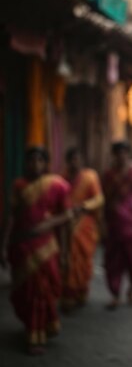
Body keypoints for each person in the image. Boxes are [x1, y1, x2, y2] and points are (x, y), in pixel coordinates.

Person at [0, 147, 72, 354]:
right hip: (21, 246)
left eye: (40, 160)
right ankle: (32, 327)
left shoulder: (57, 185)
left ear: (46, 163)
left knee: (42, 290)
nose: (35, 165)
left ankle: (37, 333)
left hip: (46, 247)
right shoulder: (19, 185)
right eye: (31, 161)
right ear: (26, 163)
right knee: (25, 292)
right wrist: (3, 246)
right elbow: (11, 217)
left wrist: (48, 226)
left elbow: (67, 216)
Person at [102, 141, 132, 309]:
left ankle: (131, 290)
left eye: (125, 153)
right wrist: (101, 223)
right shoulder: (108, 175)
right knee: (113, 262)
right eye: (118, 153)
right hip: (114, 225)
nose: (122, 156)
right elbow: (104, 200)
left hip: (131, 225)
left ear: (129, 155)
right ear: (114, 155)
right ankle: (115, 294)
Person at [61, 148, 104, 311]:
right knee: (68, 259)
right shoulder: (62, 178)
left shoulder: (90, 177)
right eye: (71, 160)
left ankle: (81, 290)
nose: (74, 163)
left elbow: (99, 199)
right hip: (66, 224)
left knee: (83, 259)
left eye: (77, 159)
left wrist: (83, 207)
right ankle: (69, 294)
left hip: (85, 224)